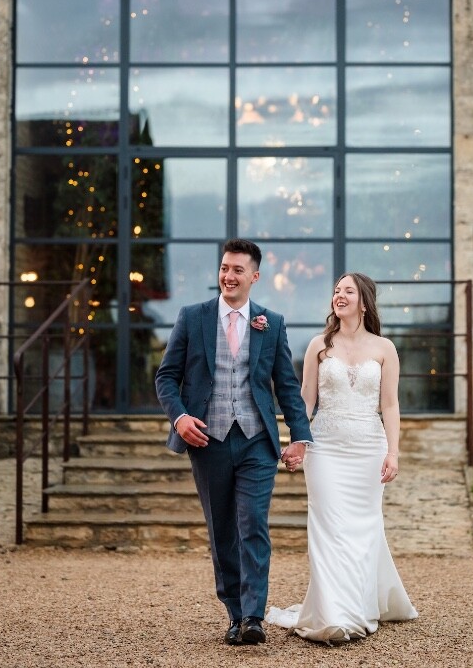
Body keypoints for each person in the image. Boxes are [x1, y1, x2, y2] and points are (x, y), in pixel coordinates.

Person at [155, 238, 313, 646]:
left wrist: (300, 438)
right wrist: (180, 416)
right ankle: (234, 613)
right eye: (225, 268)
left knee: (253, 525)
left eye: (238, 270)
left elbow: (287, 386)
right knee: (222, 530)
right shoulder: (193, 318)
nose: (228, 275)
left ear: (254, 277)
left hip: (257, 442)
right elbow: (166, 377)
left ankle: (254, 616)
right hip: (209, 441)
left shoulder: (271, 322)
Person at [266, 272, 418, 643]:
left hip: (369, 447)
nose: (339, 295)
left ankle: (359, 607)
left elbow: (391, 404)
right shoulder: (320, 345)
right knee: (329, 527)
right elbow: (304, 400)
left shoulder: (385, 349)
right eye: (336, 290)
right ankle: (333, 614)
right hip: (326, 447)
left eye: (348, 291)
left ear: (364, 302)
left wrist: (393, 453)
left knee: (363, 529)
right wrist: (296, 441)